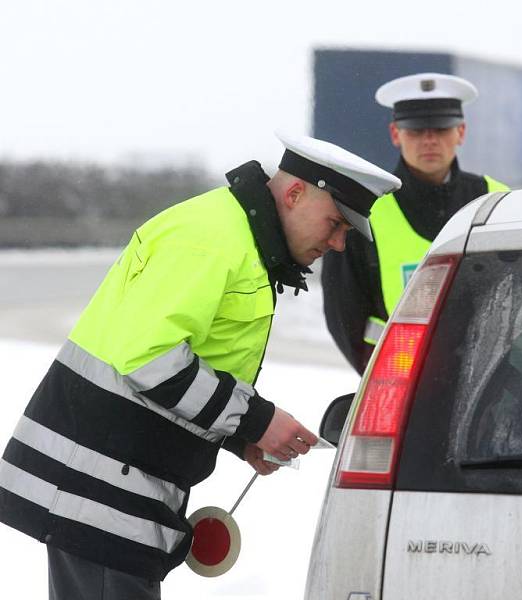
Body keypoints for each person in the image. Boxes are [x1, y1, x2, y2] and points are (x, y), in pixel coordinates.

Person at [0, 132, 401, 598]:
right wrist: (256, 419)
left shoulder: (241, 243)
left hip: (117, 494)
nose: (336, 244)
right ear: (294, 194)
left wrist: (240, 434)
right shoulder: (212, 239)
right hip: (99, 497)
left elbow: (192, 363)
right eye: (334, 223)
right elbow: (150, 357)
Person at [322, 72, 509, 373]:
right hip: (401, 383)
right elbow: (345, 317)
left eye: (440, 128)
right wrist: (386, 384)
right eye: (416, 130)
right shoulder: (362, 211)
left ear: (461, 132)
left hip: (489, 381)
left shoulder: (498, 201)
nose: (429, 140)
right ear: (396, 134)